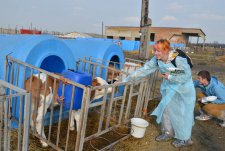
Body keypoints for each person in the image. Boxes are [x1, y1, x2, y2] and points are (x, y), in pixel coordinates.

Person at [122, 39, 196, 148]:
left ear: (167, 50)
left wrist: (170, 75)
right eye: (154, 50)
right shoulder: (157, 60)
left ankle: (185, 139)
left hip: (183, 90)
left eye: (159, 51)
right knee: (166, 110)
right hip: (170, 88)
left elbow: (186, 74)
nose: (156, 53)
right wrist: (126, 80)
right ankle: (167, 133)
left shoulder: (177, 58)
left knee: (182, 113)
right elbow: (144, 69)